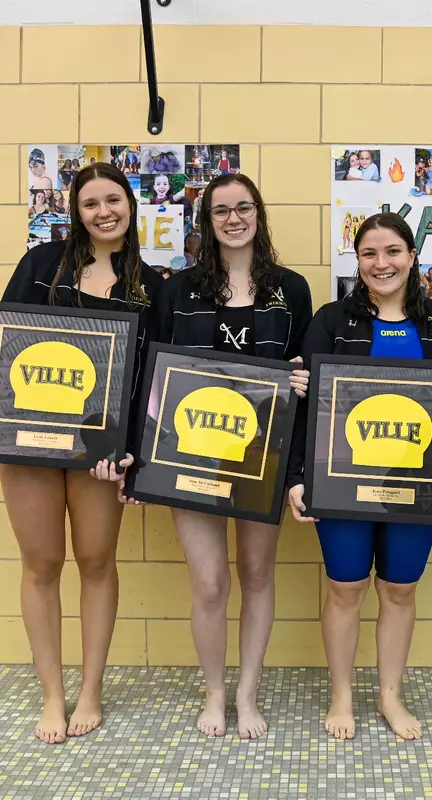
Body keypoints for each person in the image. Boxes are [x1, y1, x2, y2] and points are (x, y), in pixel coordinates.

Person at [288, 212, 432, 741]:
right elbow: (305, 406)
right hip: (341, 482)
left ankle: (390, 695)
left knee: (400, 590)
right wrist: (297, 477)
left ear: (412, 256)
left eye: (393, 251)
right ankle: (342, 695)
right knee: (345, 587)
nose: (382, 263)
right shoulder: (331, 320)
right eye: (369, 253)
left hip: (418, 486)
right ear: (357, 261)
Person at [1, 162, 164, 745]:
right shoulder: (41, 264)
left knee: (96, 561)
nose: (103, 212)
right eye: (90, 203)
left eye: (113, 200)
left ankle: (91, 689)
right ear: (76, 211)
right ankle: (52, 694)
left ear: (130, 204)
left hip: (102, 450)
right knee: (41, 564)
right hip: (31, 441)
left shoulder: (152, 283)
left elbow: (154, 378)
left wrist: (133, 453)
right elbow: (8, 343)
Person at [149, 173, 313, 740]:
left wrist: (300, 382)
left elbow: (305, 373)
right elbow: (153, 376)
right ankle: (214, 693)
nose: (233, 218)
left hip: (262, 456)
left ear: (258, 214)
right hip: (189, 455)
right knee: (210, 584)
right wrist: (139, 458)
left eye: (244, 207)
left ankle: (247, 693)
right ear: (207, 220)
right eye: (221, 210)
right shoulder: (177, 290)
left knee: (257, 574)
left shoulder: (291, 289)